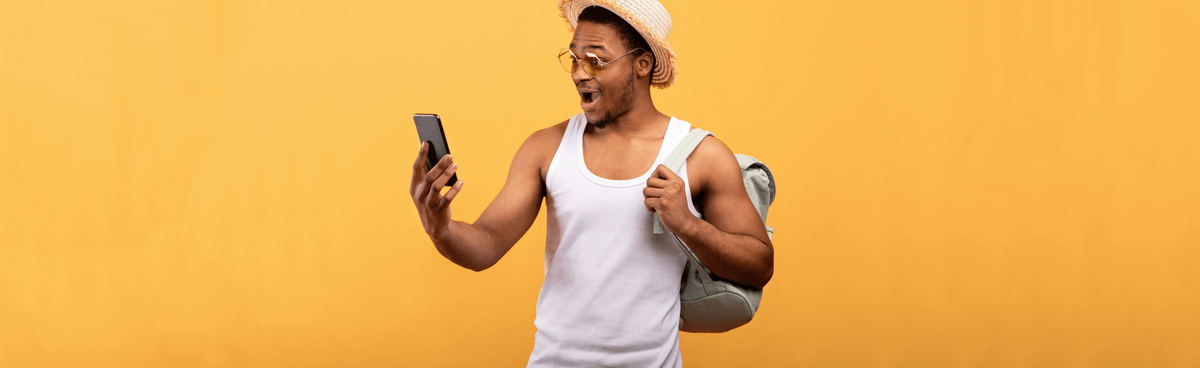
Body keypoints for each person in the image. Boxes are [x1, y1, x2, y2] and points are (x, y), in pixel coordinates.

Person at [409, 1, 773, 366]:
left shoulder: (700, 155)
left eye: (596, 60)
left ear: (642, 64)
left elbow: (759, 266)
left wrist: (687, 224)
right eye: (574, 58)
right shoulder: (546, 148)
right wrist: (440, 229)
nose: (580, 73)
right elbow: (485, 246)